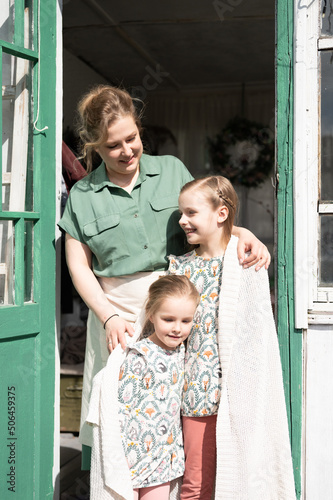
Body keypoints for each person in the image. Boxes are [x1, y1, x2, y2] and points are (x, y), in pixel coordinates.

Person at [58, 85, 271, 466]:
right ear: (93, 146)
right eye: (112, 146)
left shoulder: (171, 169)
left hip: (179, 311)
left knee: (179, 409)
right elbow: (78, 266)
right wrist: (108, 316)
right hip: (117, 315)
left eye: (132, 139)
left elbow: (205, 218)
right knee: (124, 415)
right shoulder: (83, 195)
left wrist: (243, 233)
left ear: (139, 130)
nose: (126, 152)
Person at [167, 175, 296, 499]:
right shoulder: (180, 269)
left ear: (221, 214)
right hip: (194, 397)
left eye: (191, 213)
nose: (182, 220)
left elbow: (256, 334)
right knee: (195, 484)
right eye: (182, 213)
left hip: (236, 396)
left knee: (238, 480)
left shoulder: (246, 264)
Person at [87, 275, 200, 500]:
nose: (177, 328)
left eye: (185, 321)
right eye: (168, 319)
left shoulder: (184, 353)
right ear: (151, 314)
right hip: (130, 459)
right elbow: (116, 405)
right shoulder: (137, 355)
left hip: (161, 461)